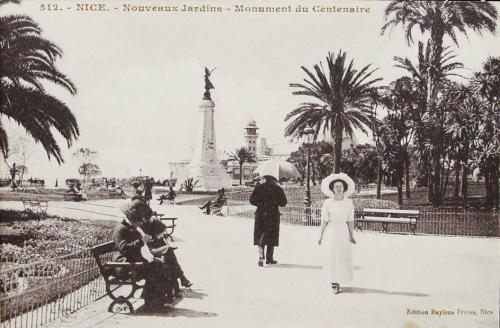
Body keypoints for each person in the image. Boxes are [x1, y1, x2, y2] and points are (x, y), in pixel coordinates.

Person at [114, 199, 173, 311]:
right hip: (123, 266)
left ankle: (154, 301)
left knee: (159, 265)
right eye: (140, 221)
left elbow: (137, 248)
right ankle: (152, 303)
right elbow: (125, 248)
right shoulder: (120, 229)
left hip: (132, 263)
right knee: (156, 267)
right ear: (133, 219)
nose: (141, 223)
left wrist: (145, 243)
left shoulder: (131, 228)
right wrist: (142, 241)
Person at [317, 173, 357, 294]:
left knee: (342, 255)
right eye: (336, 186)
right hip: (331, 231)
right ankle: (333, 282)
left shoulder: (348, 203)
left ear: (344, 188)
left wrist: (351, 235)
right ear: (332, 189)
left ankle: (340, 280)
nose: (338, 188)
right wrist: (321, 235)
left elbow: (350, 220)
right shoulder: (328, 203)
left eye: (340, 186)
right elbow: (324, 220)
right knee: (332, 255)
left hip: (343, 231)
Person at [141, 213, 193, 295]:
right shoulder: (146, 230)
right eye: (160, 233)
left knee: (170, 260)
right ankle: (182, 279)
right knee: (169, 252)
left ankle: (180, 282)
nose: (162, 235)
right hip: (151, 251)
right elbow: (149, 246)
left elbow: (161, 229)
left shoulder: (153, 225)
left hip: (156, 250)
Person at [250, 175, 287, 267]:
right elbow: (283, 203)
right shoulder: (277, 188)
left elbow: (251, 200)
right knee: (271, 235)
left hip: (260, 214)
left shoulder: (258, 188)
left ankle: (261, 254)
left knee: (261, 233)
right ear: (273, 179)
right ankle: (269, 258)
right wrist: (275, 202)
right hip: (273, 214)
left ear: (264, 178)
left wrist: (260, 204)